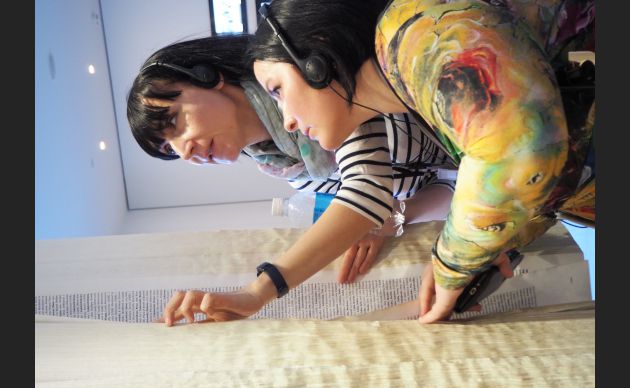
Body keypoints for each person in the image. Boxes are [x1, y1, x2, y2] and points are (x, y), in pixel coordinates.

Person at [246, 0, 595, 323]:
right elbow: (544, 161)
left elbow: (519, 153)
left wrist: (453, 263)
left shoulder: (413, 35)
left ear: (317, 61)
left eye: (278, 90)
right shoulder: (410, 91)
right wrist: (492, 246)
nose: (287, 120)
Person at [126, 34, 456, 324]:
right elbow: (440, 185)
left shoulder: (305, 80)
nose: (185, 151)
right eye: (170, 150)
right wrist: (394, 216)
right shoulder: (292, 172)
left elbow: (365, 191)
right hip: (476, 170)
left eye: (175, 122)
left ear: (206, 76)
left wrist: (257, 292)